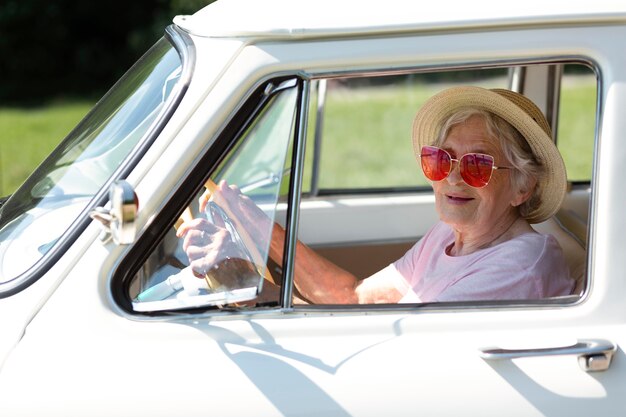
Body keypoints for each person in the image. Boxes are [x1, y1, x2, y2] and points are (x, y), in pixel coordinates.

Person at [177, 86, 575, 304]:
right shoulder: (448, 236)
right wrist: (258, 243)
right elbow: (356, 298)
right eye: (440, 159)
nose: (453, 178)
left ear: (523, 186)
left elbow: (396, 348)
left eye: (476, 165)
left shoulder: (521, 264)